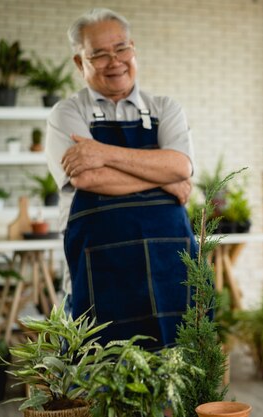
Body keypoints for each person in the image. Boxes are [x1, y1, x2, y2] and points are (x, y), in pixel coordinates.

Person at [45, 8, 196, 349]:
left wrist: (104, 152)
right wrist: (163, 178)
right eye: (98, 54)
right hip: (99, 271)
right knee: (98, 375)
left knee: (178, 372)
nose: (114, 61)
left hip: (168, 267)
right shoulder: (67, 113)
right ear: (79, 62)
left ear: (134, 49)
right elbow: (87, 178)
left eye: (121, 48)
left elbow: (180, 166)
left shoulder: (165, 108)